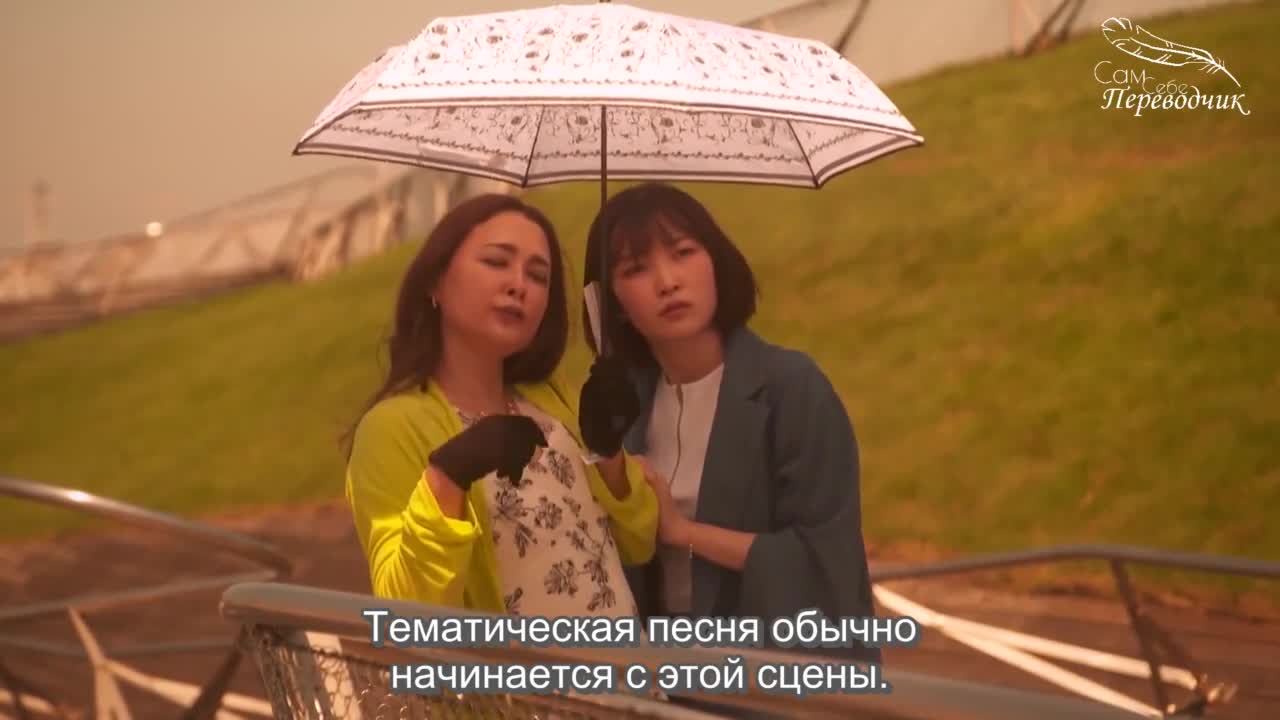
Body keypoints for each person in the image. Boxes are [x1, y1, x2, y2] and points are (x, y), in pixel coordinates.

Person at [582, 182, 882, 665]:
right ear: (610, 302)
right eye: (635, 269)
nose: (667, 282)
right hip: (662, 671)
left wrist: (681, 531)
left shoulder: (791, 387)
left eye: (683, 253)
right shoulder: (624, 405)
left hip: (776, 673)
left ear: (716, 261)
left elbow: (825, 563)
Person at [342, 193, 659, 621]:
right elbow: (408, 616)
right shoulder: (390, 429)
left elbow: (640, 542)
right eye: (496, 262)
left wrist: (610, 454)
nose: (519, 285)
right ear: (435, 281)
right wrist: (448, 476)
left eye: (539, 275)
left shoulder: (553, 398)